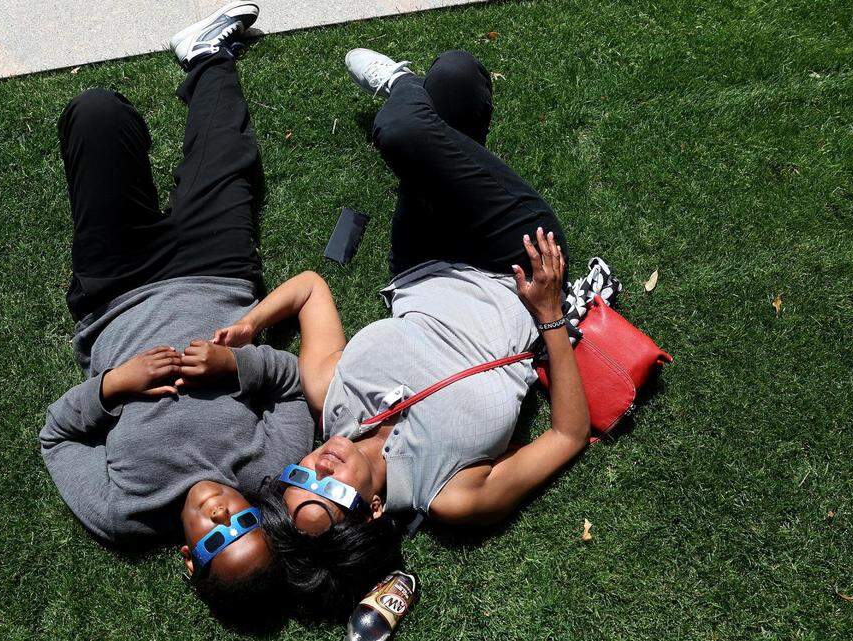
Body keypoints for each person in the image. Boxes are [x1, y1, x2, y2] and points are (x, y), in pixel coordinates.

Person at [213, 48, 591, 613]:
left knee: (451, 89)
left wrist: (253, 322)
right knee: (420, 113)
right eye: (331, 490)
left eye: (302, 472)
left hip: (424, 257)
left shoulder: (329, 397)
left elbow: (313, 287)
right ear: (368, 511)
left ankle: (433, 123)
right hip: (514, 266)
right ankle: (404, 90)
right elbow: (567, 435)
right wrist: (550, 314)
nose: (321, 464)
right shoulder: (452, 497)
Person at [38, 1, 313, 612]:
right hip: (217, 271)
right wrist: (235, 370)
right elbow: (296, 389)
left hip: (116, 292)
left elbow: (57, 438)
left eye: (216, 540)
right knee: (229, 158)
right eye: (242, 525)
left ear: (190, 560)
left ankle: (120, 119)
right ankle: (205, 57)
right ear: (259, 518)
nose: (221, 514)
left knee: (96, 115)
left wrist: (114, 386)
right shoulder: (272, 470)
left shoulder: (125, 514)